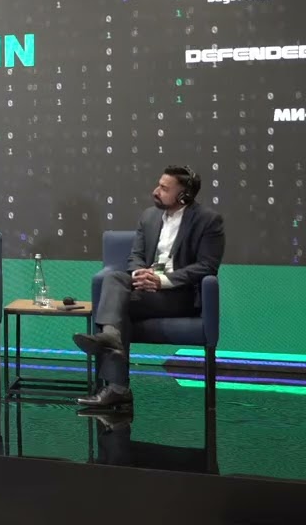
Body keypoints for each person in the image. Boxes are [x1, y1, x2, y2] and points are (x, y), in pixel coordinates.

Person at [74, 166, 224, 411]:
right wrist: (139, 274)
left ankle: (117, 388)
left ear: (183, 195)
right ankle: (112, 338)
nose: (156, 191)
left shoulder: (208, 221)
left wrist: (162, 280)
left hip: (179, 295)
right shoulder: (149, 217)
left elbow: (207, 266)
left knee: (115, 308)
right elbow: (135, 256)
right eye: (158, 185)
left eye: (164, 188)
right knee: (114, 279)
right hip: (144, 289)